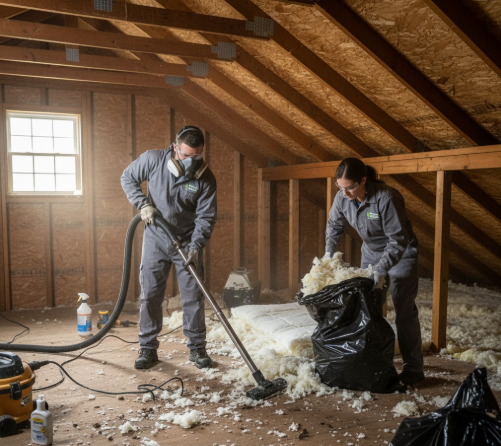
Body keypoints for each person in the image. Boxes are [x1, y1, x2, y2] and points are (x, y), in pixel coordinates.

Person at [121, 125, 217, 370]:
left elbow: (206, 217)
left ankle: (197, 349)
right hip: (156, 237)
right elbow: (128, 177)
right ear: (175, 148)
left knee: (193, 296)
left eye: (196, 156)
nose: (190, 161)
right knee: (150, 294)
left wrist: (196, 247)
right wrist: (142, 204)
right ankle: (148, 348)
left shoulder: (205, 178)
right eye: (185, 156)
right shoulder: (153, 159)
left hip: (186, 242)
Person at [325, 157, 424, 386]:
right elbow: (334, 226)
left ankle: (414, 368)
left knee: (404, 308)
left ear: (363, 180)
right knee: (368, 308)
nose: (345, 193)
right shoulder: (343, 197)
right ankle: (376, 363)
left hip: (401, 254)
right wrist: (328, 256)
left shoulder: (386, 197)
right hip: (371, 253)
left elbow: (398, 239)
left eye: (350, 187)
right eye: (340, 187)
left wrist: (381, 269)